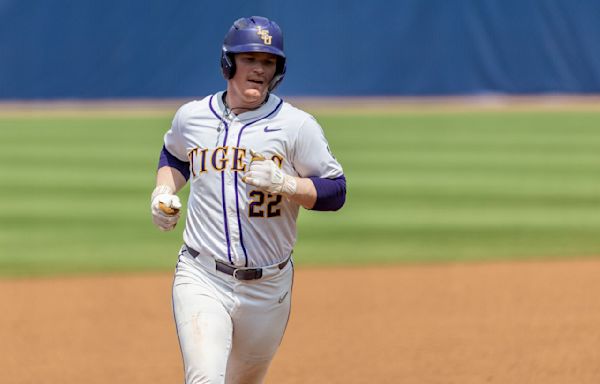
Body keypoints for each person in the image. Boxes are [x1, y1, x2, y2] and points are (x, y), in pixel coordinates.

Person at [150, 16, 346, 384]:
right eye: (249, 58)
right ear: (228, 63)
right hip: (201, 275)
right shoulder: (192, 117)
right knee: (205, 379)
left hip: (269, 286)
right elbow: (174, 155)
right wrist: (163, 190)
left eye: (268, 61)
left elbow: (336, 192)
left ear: (279, 70)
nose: (259, 69)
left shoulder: (296, 126)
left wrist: (288, 184)